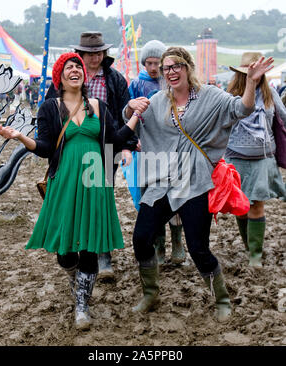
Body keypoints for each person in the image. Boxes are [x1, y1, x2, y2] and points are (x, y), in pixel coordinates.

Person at [123, 46, 274, 322]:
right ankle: (150, 293)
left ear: (188, 67)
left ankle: (222, 299)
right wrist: (129, 107)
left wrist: (251, 83)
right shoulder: (158, 100)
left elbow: (242, 108)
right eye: (167, 68)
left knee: (198, 247)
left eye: (176, 66)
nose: (171, 72)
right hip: (162, 182)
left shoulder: (211, 97)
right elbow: (131, 118)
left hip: (195, 182)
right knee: (141, 238)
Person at [0, 52, 139, 331]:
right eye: (69, 67)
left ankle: (82, 306)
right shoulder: (50, 107)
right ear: (60, 77)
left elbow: (113, 138)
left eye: (78, 66)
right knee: (65, 252)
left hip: (94, 181)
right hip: (63, 181)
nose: (75, 69)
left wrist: (134, 119)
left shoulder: (97, 105)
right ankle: (77, 282)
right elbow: (46, 148)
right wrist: (20, 137)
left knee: (89, 247)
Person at [46, 31, 138, 279]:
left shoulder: (115, 78)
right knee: (73, 200)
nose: (95, 57)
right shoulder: (65, 79)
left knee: (100, 196)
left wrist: (127, 143)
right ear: (81, 54)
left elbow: (123, 112)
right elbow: (50, 114)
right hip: (71, 148)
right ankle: (74, 245)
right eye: (90, 53)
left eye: (99, 52)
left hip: (105, 146)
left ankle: (103, 253)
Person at [225, 52, 286, 268]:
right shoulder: (230, 94)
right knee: (241, 207)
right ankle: (248, 245)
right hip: (235, 159)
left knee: (256, 206)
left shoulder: (270, 95)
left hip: (262, 159)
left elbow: (284, 117)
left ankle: (255, 255)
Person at [128, 40, 186, 265]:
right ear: (144, 63)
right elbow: (131, 115)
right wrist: (134, 140)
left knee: (176, 195)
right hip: (148, 150)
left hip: (173, 148)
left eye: (157, 63)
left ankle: (178, 242)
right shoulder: (136, 85)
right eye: (149, 63)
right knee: (153, 197)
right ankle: (159, 244)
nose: (153, 67)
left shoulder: (172, 83)